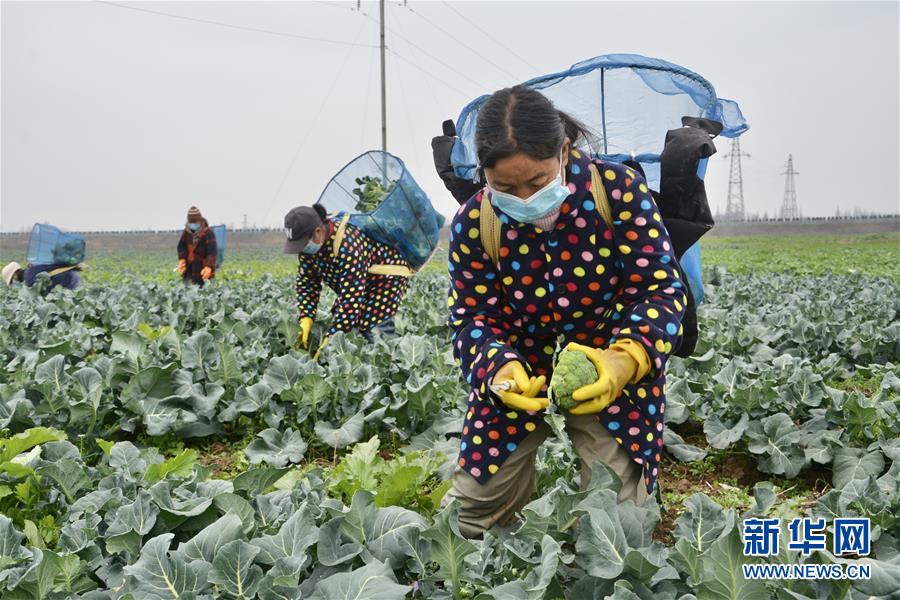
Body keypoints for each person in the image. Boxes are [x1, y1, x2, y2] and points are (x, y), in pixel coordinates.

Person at [442, 86, 687, 538]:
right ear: (484, 176)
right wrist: (501, 369)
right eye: (504, 188)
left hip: (606, 364)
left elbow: (660, 290)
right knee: (467, 521)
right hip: (517, 372)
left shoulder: (617, 191)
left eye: (536, 182)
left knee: (622, 527)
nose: (524, 198)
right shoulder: (476, 222)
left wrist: (623, 361)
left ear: (564, 151)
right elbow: (471, 318)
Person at [284, 204, 410, 355]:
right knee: (347, 322)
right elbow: (307, 282)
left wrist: (329, 342)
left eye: (301, 244)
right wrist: (306, 318)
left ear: (317, 232)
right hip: (357, 282)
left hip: (385, 278)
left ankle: (388, 364)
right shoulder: (309, 249)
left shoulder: (348, 244)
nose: (301, 250)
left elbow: (351, 301)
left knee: (374, 328)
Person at [177, 206, 217, 285]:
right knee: (187, 292)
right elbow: (181, 246)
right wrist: (182, 259)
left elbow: (212, 252)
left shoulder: (208, 232)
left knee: (204, 293)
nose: (193, 225)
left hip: (203, 270)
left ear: (200, 221)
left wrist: (209, 266)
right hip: (189, 270)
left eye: (195, 223)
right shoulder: (186, 232)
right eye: (191, 223)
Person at [3, 261, 83, 290]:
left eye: (12, 280)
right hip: (74, 275)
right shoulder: (30, 269)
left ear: (14, 274)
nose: (14, 282)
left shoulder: (28, 279)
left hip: (67, 280)